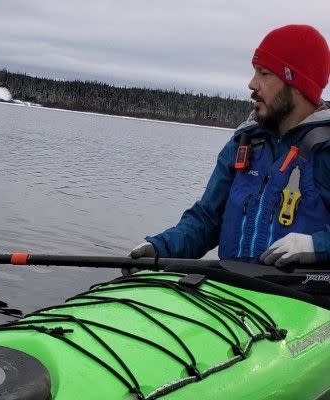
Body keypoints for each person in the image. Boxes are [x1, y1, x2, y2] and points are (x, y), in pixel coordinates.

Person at [130, 24, 330, 268]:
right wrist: (160, 248)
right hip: (230, 294)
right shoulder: (243, 142)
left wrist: (316, 247)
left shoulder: (325, 148)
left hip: (301, 301)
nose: (252, 84)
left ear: (295, 84)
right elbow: (206, 220)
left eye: (264, 73)